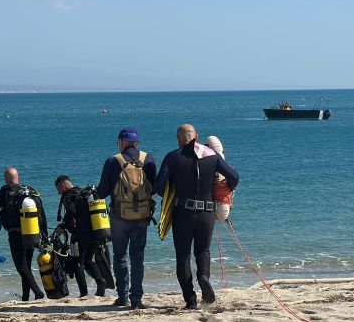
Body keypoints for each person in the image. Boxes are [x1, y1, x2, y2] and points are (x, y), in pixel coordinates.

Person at [154, 124, 239, 309]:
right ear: (196, 137)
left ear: (178, 139)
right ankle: (203, 277)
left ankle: (190, 300)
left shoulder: (172, 157)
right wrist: (224, 190)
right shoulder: (212, 156)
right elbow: (234, 177)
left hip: (182, 213)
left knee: (183, 256)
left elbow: (159, 187)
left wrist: (172, 189)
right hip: (206, 213)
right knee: (203, 251)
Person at [96, 127, 156, 309]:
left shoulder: (113, 161)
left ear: (121, 142)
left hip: (120, 215)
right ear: (137, 143)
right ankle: (136, 299)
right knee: (137, 257)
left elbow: (102, 192)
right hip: (142, 215)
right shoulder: (147, 159)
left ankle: (122, 296)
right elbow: (154, 189)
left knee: (120, 256)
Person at [0, 167, 46, 301]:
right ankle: (25, 297)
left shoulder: (5, 191)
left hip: (15, 233)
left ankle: (38, 292)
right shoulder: (30, 191)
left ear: (6, 180)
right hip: (31, 231)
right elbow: (42, 214)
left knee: (21, 266)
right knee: (27, 265)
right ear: (18, 178)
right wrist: (44, 234)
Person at [54, 175, 106, 298]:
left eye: (58, 189)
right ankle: (100, 281)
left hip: (80, 235)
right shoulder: (82, 192)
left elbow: (71, 211)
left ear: (62, 185)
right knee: (88, 260)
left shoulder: (68, 195)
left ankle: (83, 293)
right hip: (96, 231)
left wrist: (63, 226)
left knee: (78, 263)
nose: (58, 192)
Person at [203, 135, 233, 222]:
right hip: (223, 209)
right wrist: (230, 188)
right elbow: (235, 178)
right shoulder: (226, 168)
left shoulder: (203, 166)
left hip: (206, 208)